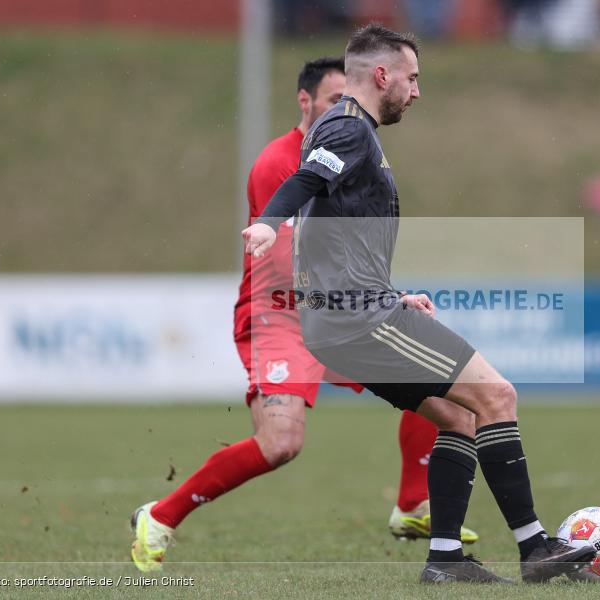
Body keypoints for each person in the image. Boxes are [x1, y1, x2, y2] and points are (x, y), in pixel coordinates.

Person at [242, 23, 595, 584]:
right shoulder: (350, 129)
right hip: (356, 318)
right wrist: (266, 223)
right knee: (497, 395)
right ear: (381, 75)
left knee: (457, 416)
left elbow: (332, 229)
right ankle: (535, 548)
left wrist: (390, 292)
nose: (416, 90)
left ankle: (446, 560)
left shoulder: (342, 129)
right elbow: (306, 182)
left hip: (345, 314)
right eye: (412, 77)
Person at [129, 57, 477, 573]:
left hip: (339, 310)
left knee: (451, 403)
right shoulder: (280, 163)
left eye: (351, 102)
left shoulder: (356, 153)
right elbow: (300, 261)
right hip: (280, 314)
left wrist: (387, 297)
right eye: (336, 101)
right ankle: (159, 517)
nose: (345, 111)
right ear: (305, 102)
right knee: (281, 442)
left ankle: (411, 505)